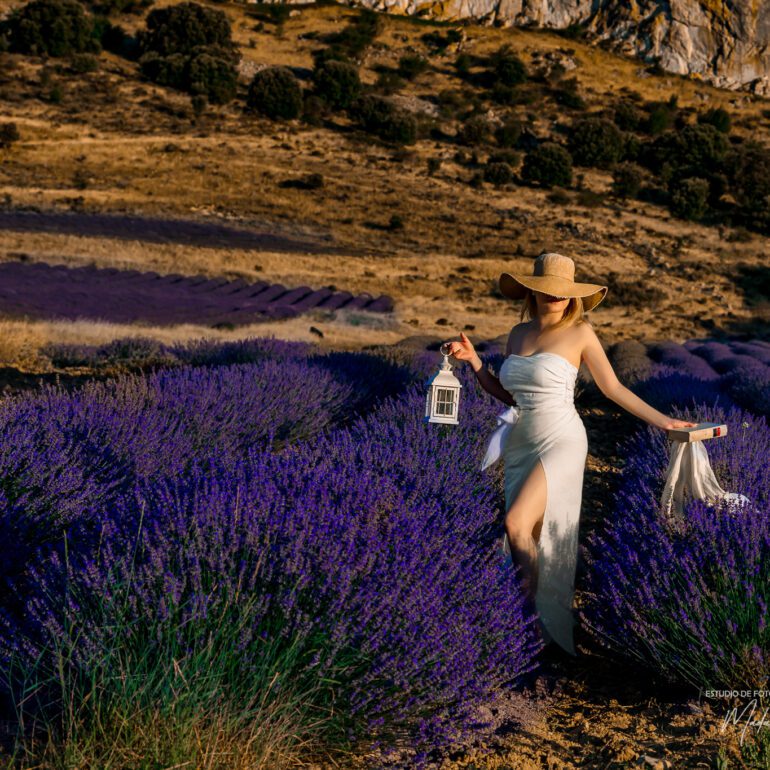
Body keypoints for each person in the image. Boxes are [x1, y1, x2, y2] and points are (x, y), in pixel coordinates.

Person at [445, 252, 697, 656]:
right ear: (532, 290)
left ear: (573, 297)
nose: (555, 298)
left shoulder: (580, 333)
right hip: (522, 438)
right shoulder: (518, 333)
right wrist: (474, 362)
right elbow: (507, 394)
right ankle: (538, 626)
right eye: (547, 291)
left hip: (562, 436)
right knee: (530, 534)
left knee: (515, 523)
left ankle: (531, 624)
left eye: (563, 293)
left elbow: (613, 389)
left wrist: (664, 422)